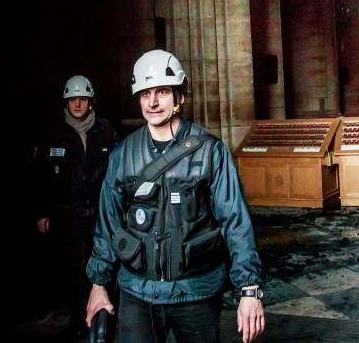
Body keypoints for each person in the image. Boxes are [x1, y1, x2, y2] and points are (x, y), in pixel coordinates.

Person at [85, 49, 265, 343]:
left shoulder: (210, 152)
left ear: (180, 97)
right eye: (145, 94)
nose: (153, 102)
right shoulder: (123, 154)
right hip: (136, 293)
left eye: (163, 92)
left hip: (196, 292)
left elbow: (236, 222)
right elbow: (108, 224)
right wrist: (98, 283)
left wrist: (250, 289)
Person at [33, 75, 120, 342]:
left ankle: (104, 322)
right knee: (73, 272)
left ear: (91, 102)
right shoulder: (54, 134)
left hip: (100, 214)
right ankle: (79, 323)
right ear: (67, 102)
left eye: (83, 99)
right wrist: (41, 212)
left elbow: (119, 171)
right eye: (73, 99)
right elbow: (40, 177)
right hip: (67, 217)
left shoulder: (106, 131)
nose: (78, 104)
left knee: (104, 267)